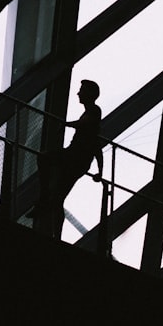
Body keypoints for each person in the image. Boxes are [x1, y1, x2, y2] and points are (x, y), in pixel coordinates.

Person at [28, 80, 104, 231]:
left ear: (90, 94)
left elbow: (86, 128)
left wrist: (66, 124)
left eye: (81, 90)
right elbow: (96, 146)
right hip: (76, 159)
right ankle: (56, 232)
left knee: (44, 158)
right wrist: (100, 171)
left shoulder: (94, 111)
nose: (78, 93)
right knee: (57, 199)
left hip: (74, 158)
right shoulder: (93, 113)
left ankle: (43, 199)